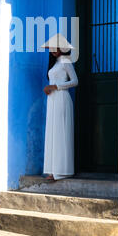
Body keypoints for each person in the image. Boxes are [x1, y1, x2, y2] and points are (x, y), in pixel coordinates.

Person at [41, 34, 78, 181]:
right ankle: (52, 170)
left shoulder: (65, 61)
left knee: (61, 132)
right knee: (53, 133)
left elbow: (75, 81)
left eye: (55, 47)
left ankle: (62, 171)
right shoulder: (55, 62)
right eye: (51, 47)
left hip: (62, 98)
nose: (52, 50)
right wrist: (51, 88)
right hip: (52, 100)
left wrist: (56, 86)